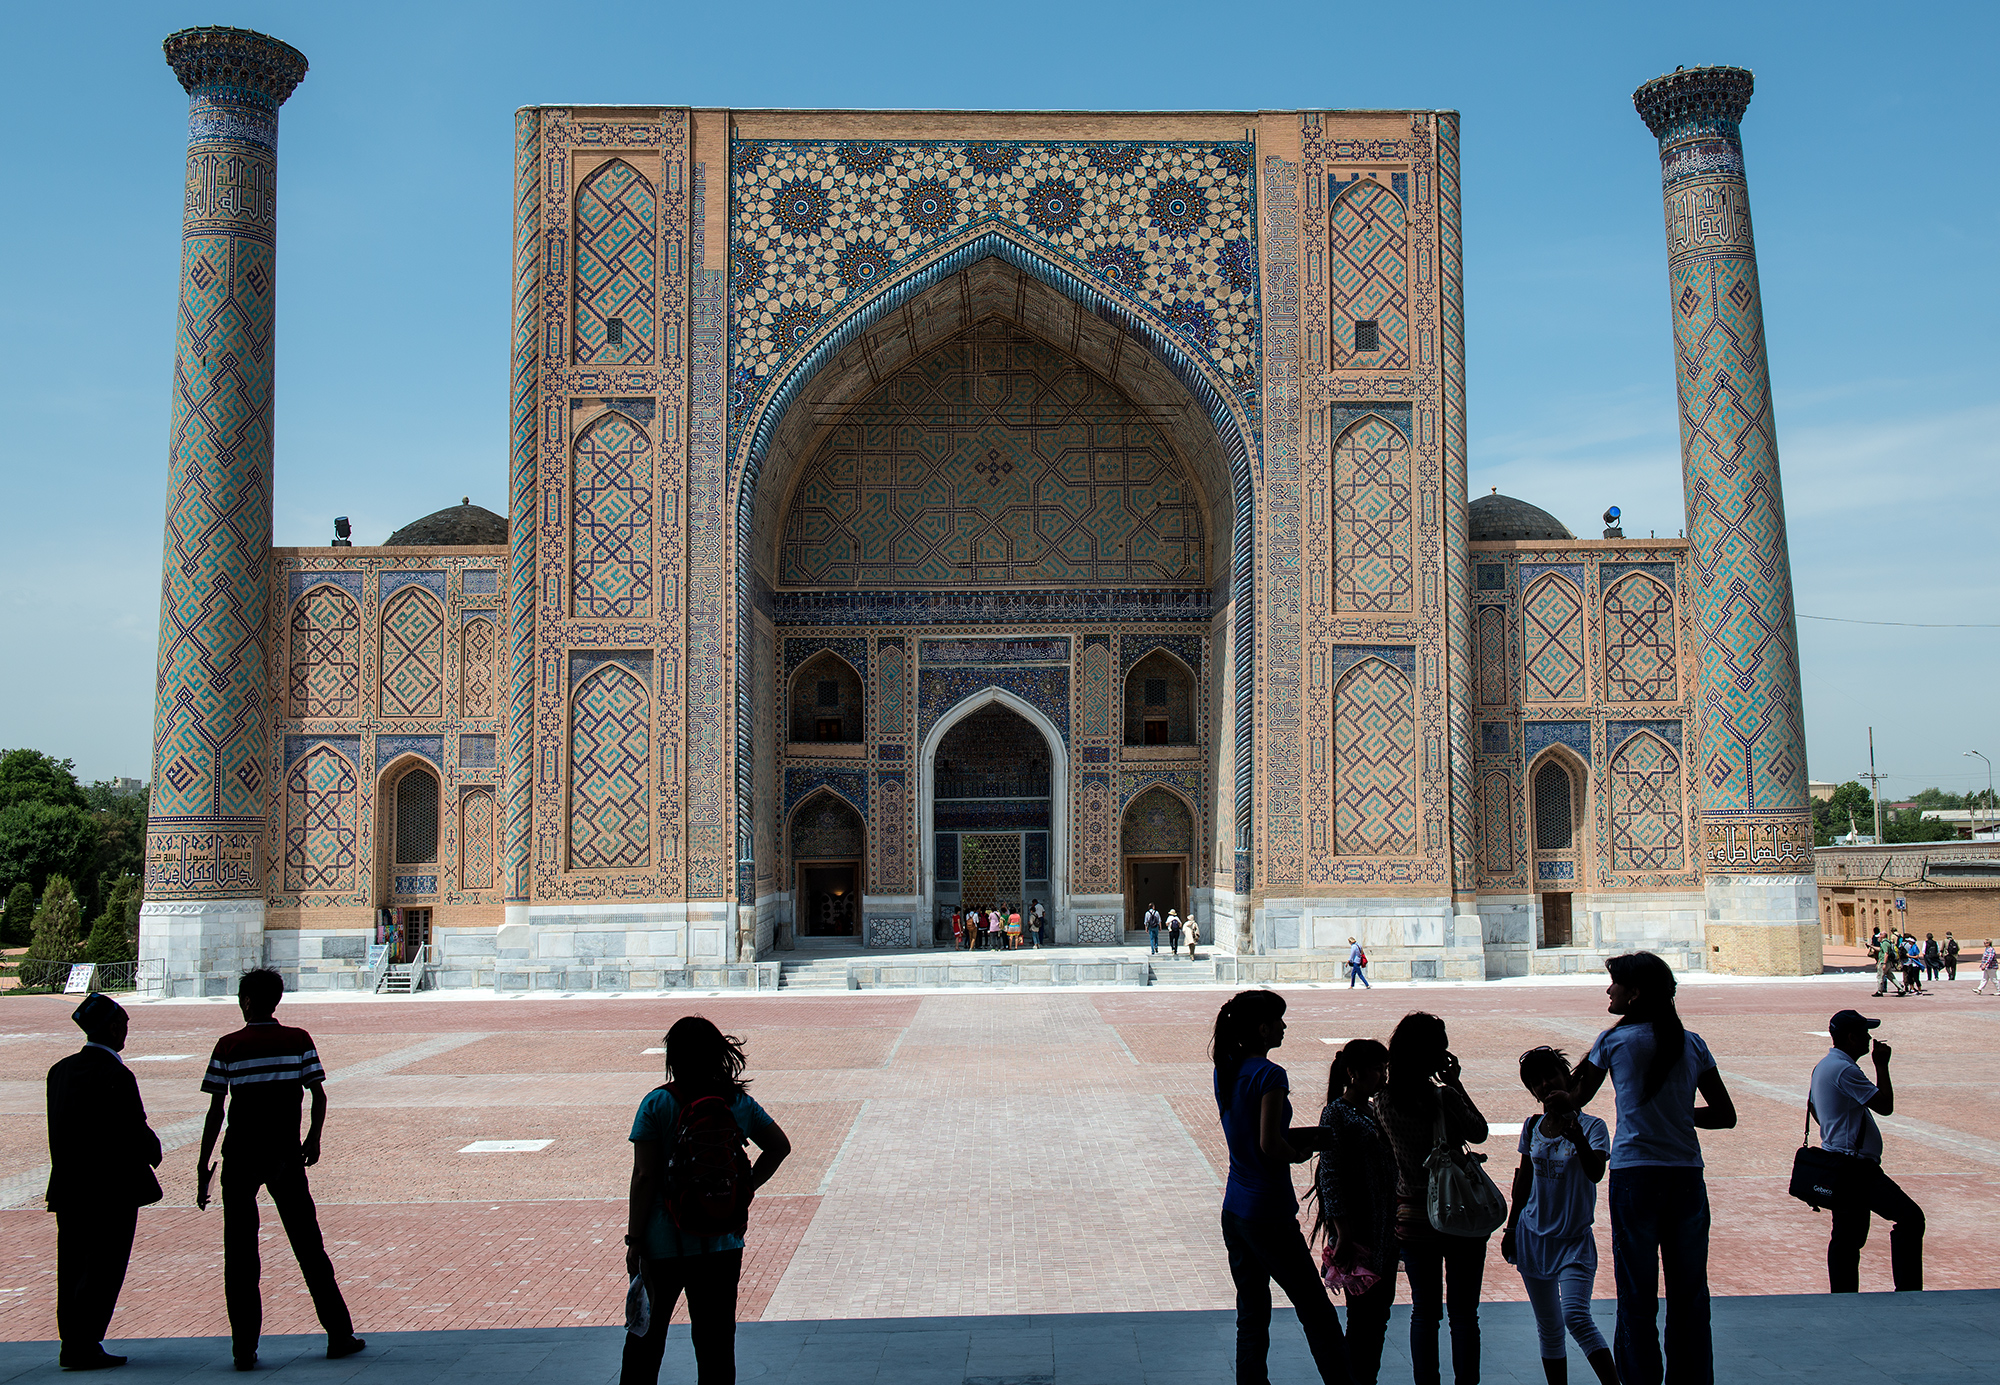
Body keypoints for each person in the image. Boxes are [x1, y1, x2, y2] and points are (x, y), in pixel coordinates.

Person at [1567, 951, 1735, 1385]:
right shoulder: (1692, 1042)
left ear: (1635, 992)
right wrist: (1678, 1112)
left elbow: (1575, 1099)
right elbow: (1724, 1114)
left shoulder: (1613, 1042)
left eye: (1614, 983)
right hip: (1684, 1175)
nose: (1608, 990)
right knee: (1690, 1294)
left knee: (1637, 1295)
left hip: (1635, 1176)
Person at [198, 967, 365, 1371]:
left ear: (249, 1002)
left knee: (239, 1255)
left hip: (239, 1158)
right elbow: (318, 1094)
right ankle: (339, 1334)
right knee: (309, 1247)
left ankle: (244, 1349)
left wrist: (203, 1164)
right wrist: (313, 1138)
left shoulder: (228, 1046)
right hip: (285, 1156)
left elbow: (216, 1111)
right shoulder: (298, 1040)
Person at [623, 1016, 792, 1385]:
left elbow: (645, 1176)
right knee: (716, 1346)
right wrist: (745, 1189)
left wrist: (635, 1240)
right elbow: (779, 1147)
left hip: (662, 1243)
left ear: (674, 1056)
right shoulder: (738, 1104)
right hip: (722, 1239)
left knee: (646, 1341)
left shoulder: (657, 1103)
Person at [1210, 991, 1351, 1384]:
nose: (1284, 1027)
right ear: (1262, 1028)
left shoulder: (1227, 1069)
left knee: (1252, 1313)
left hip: (1235, 1206)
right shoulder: (1271, 1075)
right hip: (1268, 1210)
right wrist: (1300, 1151)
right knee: (1316, 1312)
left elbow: (1247, 1131)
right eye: (1279, 1021)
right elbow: (1270, 1144)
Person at [46, 993, 163, 1371]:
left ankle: (72, 1342)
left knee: (73, 1267)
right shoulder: (116, 1074)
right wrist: (153, 1150)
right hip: (112, 1190)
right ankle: (86, 1342)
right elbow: (133, 1127)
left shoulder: (60, 1070)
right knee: (104, 1268)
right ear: (114, 1028)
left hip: (70, 1186)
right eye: (124, 1026)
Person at [1374, 1011, 1489, 1385]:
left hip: (1413, 1214)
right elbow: (1480, 1131)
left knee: (1424, 1310)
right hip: (1458, 1211)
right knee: (1463, 1313)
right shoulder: (1444, 1097)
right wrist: (1456, 1084)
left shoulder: (1383, 1102)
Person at [1501, 1047, 1616, 1385]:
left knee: (1576, 1316)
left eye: (1550, 1075)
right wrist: (1511, 1228)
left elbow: (1595, 1172)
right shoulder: (1532, 1126)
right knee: (1549, 1327)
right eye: (1535, 1082)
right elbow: (1523, 1180)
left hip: (1574, 1240)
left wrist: (1575, 1133)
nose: (1545, 1084)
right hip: (1532, 1236)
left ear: (1567, 1078)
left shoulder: (1593, 1127)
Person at [1810, 1009, 1922, 1293]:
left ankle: (1843, 1297)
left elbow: (1814, 1107)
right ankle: (1908, 1293)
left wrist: (1835, 1130)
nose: (1869, 1038)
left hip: (1839, 1161)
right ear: (1851, 1037)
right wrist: (1881, 1065)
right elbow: (1885, 1105)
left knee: (1847, 1237)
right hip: (1856, 1168)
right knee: (1910, 1218)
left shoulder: (1824, 1065)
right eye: (1864, 1033)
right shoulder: (1846, 1069)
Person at [1314, 1039, 1396, 1385]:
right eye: (1377, 1069)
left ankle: (1364, 1378)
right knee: (1363, 1318)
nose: (1382, 1076)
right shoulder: (1337, 1113)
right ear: (1354, 1072)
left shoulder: (1373, 1109)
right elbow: (1329, 1176)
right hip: (1358, 1233)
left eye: (1384, 1068)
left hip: (1384, 1230)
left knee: (1378, 1316)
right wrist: (1342, 1232)